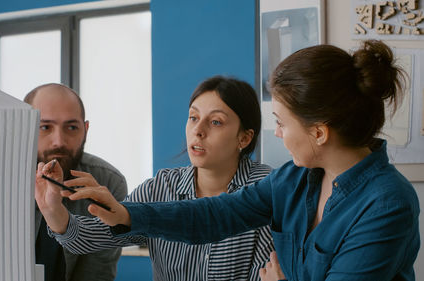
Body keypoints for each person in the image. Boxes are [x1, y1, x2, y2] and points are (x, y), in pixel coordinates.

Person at [51, 40, 421, 281]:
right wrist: (130, 214)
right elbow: (214, 215)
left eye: (281, 123)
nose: (276, 134)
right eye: (193, 117)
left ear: (319, 133)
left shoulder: (387, 203)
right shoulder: (294, 180)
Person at [35, 76, 275, 280]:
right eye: (193, 117)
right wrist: (53, 209)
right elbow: (87, 239)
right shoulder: (161, 188)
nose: (198, 130)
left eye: (215, 122)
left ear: (244, 138)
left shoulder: (267, 190)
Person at [25, 84, 128, 281]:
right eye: (45, 127)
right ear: (24, 128)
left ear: (85, 130)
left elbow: (97, 274)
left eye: (71, 127)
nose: (59, 141)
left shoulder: (107, 183)